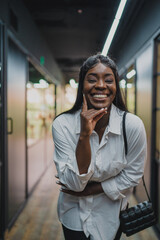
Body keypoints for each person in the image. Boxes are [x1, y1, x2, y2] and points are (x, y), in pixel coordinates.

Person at [52, 54, 147, 240]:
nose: (101, 85)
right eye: (92, 80)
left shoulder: (132, 126)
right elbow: (73, 184)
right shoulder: (62, 124)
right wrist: (84, 136)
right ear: (82, 86)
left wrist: (90, 190)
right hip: (73, 213)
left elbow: (133, 175)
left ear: (115, 87)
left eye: (109, 80)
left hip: (112, 214)